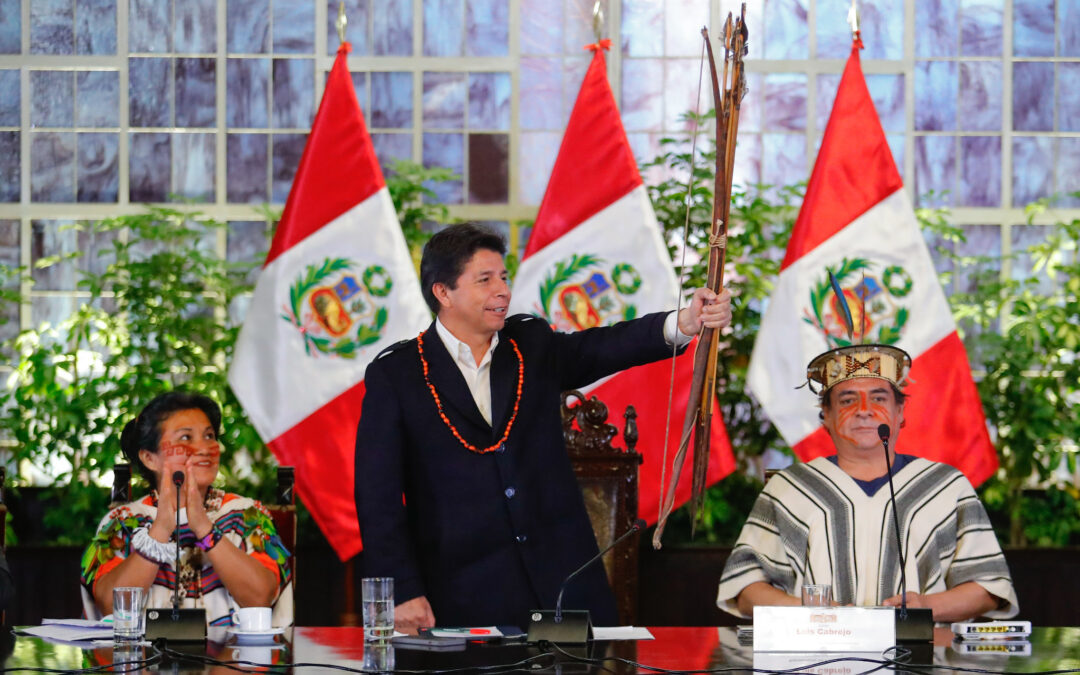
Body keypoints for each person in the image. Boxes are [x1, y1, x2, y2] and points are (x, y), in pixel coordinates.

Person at [355, 223, 731, 632]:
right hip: (461, 594)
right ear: (443, 293)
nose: (502, 291)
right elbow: (378, 498)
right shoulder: (398, 374)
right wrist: (404, 589)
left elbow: (602, 347)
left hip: (564, 588)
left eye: (503, 277)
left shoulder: (529, 344)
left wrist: (686, 322)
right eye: (485, 280)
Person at [717, 344, 1018, 622]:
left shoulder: (946, 486)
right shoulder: (789, 488)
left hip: (924, 659)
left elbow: (989, 586)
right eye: (847, 400)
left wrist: (927, 607)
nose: (864, 410)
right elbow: (744, 588)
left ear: (900, 414)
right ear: (826, 417)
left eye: (878, 398)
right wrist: (812, 612)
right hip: (815, 659)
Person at [81, 391, 294, 627]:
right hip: (140, 661)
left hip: (234, 660)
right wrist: (159, 531)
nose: (204, 448)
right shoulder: (123, 521)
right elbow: (111, 606)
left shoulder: (246, 514)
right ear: (149, 458)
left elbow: (260, 598)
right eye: (185, 438)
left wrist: (203, 528)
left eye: (209, 436)